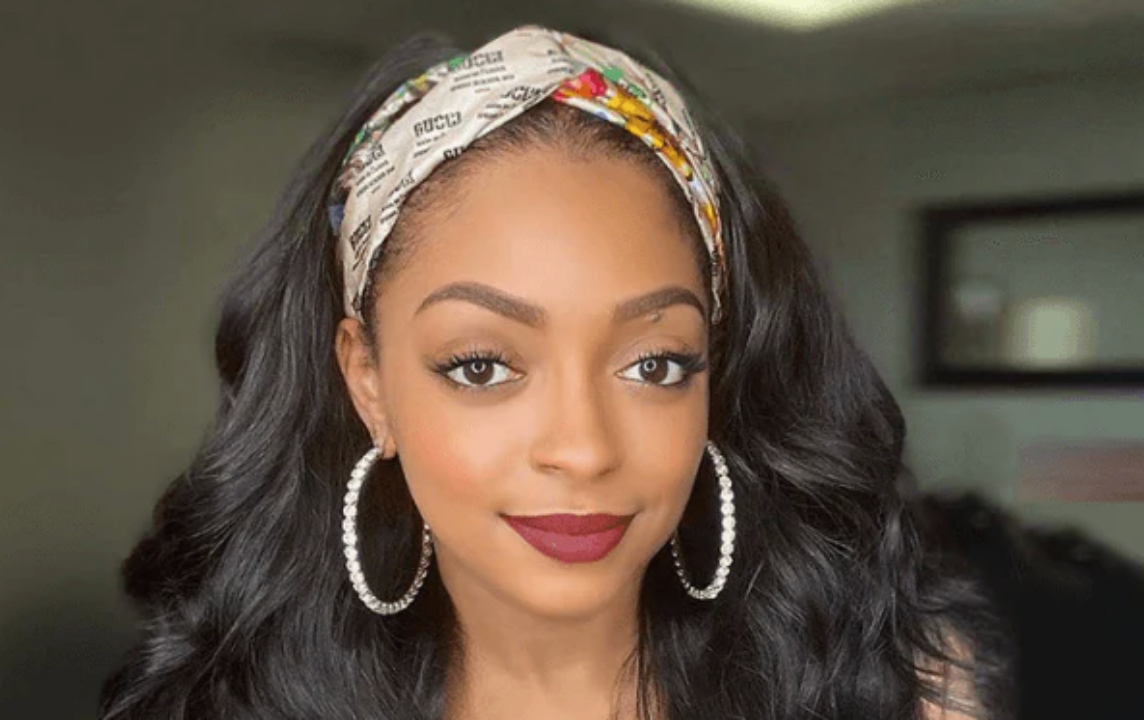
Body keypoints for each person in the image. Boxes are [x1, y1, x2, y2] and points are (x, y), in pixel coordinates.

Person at [100, 24, 1008, 720]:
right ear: (367, 381)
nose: (581, 448)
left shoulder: (904, 696)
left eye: (656, 362)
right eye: (483, 364)